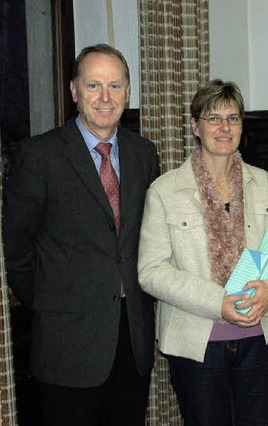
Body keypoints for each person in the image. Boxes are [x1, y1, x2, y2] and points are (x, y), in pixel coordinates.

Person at [3, 44, 160, 425]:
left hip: (132, 342)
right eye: (93, 86)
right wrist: (52, 304)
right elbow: (17, 249)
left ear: (128, 92)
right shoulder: (38, 156)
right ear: (74, 91)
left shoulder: (144, 154)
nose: (105, 98)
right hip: (65, 347)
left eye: (115, 86)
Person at [137, 79, 268, 426]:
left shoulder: (264, 183)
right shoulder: (164, 191)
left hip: (259, 337)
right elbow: (151, 271)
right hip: (197, 344)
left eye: (233, 118)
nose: (224, 127)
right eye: (213, 118)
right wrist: (217, 302)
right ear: (195, 127)